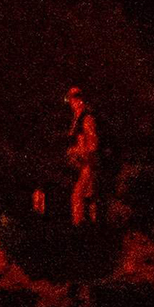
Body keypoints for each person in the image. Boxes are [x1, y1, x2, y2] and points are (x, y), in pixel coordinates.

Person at [63, 85, 105, 226]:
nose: (72, 102)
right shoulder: (76, 119)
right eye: (71, 99)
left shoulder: (86, 118)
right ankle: (86, 228)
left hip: (87, 165)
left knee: (80, 197)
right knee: (85, 198)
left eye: (75, 98)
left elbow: (93, 144)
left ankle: (82, 230)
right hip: (79, 166)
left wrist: (78, 152)